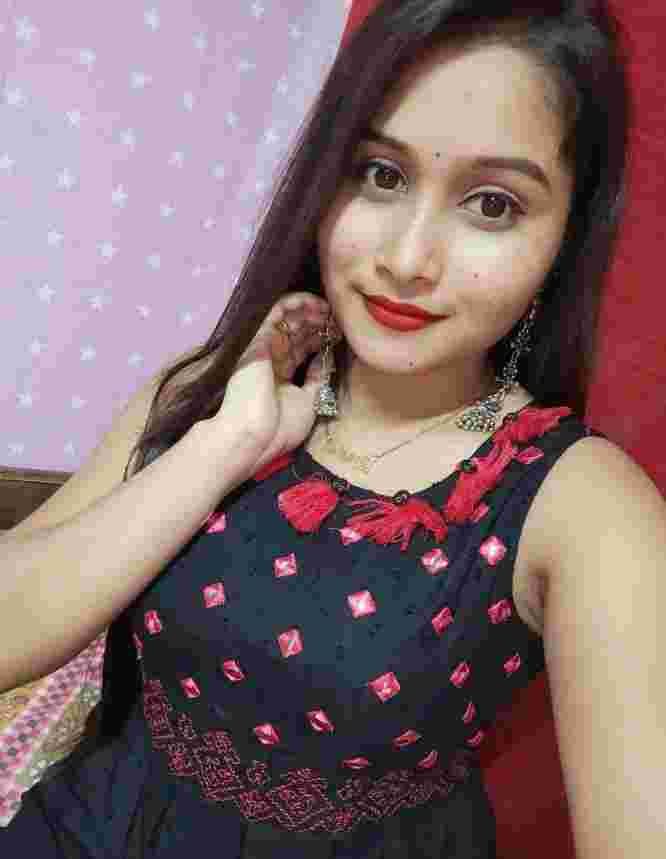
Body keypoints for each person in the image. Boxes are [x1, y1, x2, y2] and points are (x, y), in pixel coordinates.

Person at [1, 0, 665, 856]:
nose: (408, 258)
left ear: (564, 240)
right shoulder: (212, 391)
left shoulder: (581, 506)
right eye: (381, 175)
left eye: (492, 204)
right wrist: (222, 446)